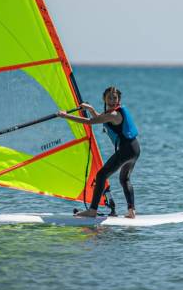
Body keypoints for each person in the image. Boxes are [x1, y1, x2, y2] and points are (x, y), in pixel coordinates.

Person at [58, 86, 140, 218]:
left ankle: (92, 210)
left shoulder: (114, 114)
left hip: (126, 150)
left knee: (101, 175)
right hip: (135, 149)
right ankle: (131, 211)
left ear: (119, 99)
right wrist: (90, 109)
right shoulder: (112, 113)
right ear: (104, 99)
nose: (112, 101)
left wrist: (65, 116)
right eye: (109, 98)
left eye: (115, 98)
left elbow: (90, 121)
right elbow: (99, 117)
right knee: (124, 179)